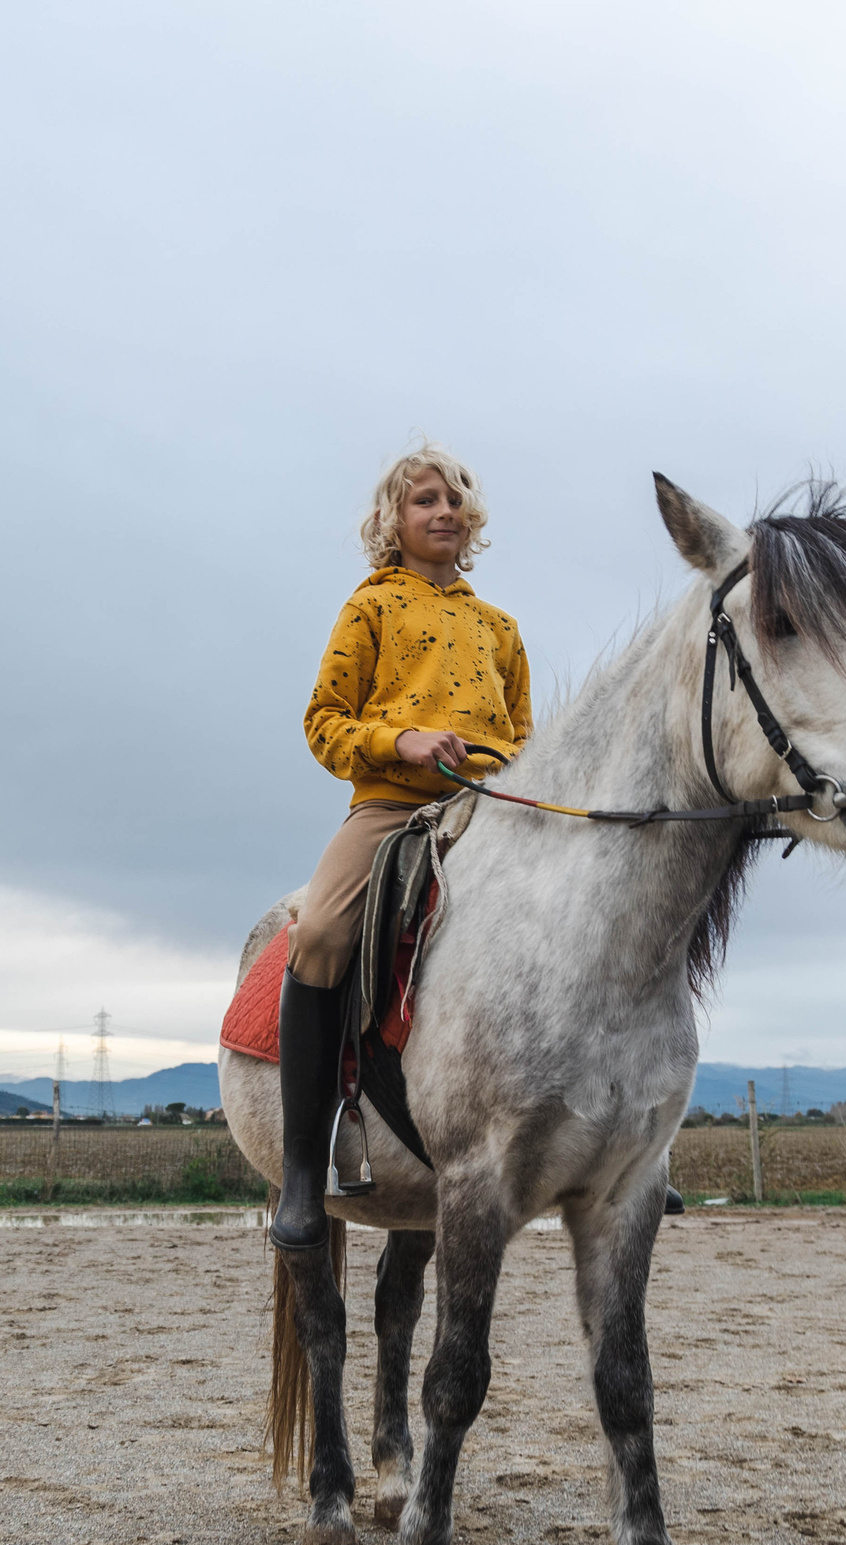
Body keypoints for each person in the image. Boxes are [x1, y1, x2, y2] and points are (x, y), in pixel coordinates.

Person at [270, 444, 530, 1251]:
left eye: (455, 499)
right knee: (318, 934)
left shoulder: (501, 627)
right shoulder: (371, 608)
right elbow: (324, 723)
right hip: (392, 804)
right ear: (393, 521)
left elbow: (523, 733)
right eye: (424, 500)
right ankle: (305, 1168)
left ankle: (630, 1151)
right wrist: (404, 740)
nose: (444, 511)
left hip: (491, 807)